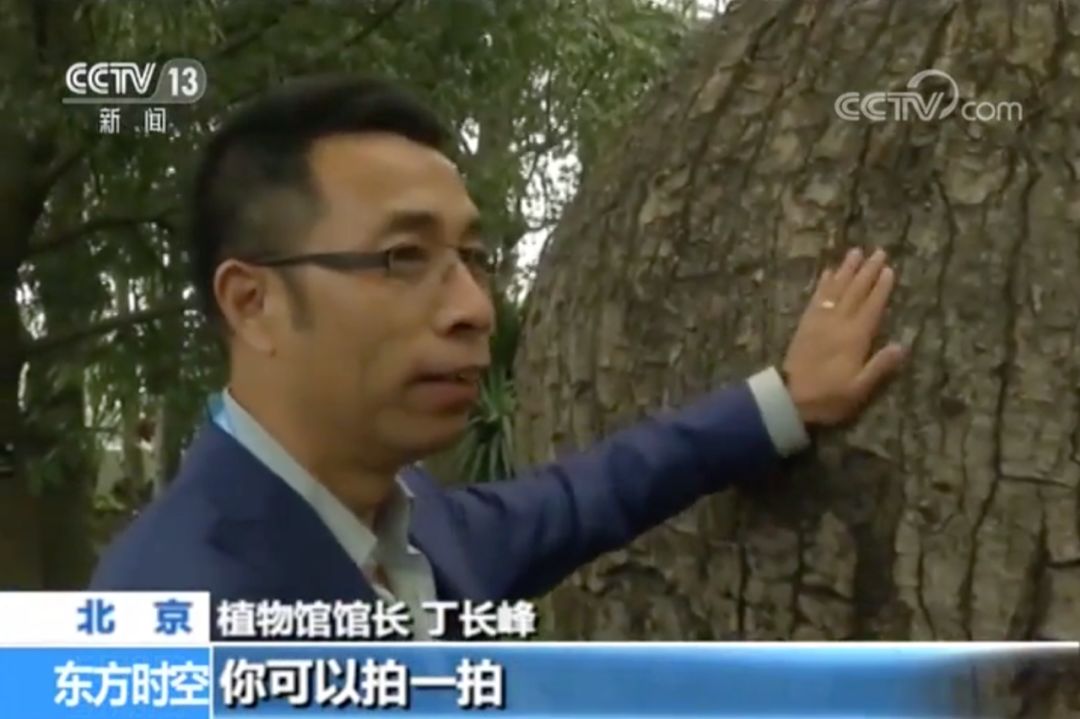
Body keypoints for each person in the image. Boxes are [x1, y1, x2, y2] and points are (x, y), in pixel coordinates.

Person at [89, 76, 906, 639]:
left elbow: (594, 491)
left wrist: (786, 401)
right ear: (252, 303)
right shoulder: (164, 625)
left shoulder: (413, 523)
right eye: (403, 257)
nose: (475, 309)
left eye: (473, 258)